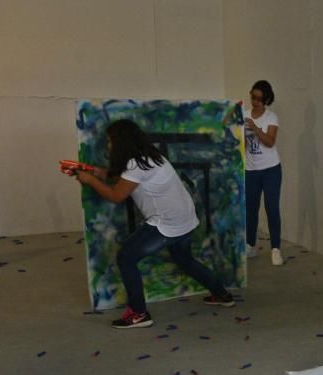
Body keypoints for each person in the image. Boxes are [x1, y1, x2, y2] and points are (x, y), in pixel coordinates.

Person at [73, 119, 235, 329]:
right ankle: (222, 295)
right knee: (185, 261)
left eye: (110, 141)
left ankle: (139, 314)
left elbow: (116, 195)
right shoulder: (149, 156)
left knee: (126, 257)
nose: (108, 145)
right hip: (184, 219)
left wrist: (91, 181)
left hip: (167, 224)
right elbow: (124, 177)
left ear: (121, 142)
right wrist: (97, 172)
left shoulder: (134, 165)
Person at [243, 80, 283, 266]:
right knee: (251, 210)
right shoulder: (243, 116)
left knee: (271, 208)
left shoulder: (271, 117)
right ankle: (250, 244)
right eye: (253, 97)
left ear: (266, 99)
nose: (255, 101)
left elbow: (270, 142)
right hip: (251, 170)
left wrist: (256, 128)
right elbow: (240, 146)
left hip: (271, 169)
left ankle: (275, 248)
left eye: (259, 99)